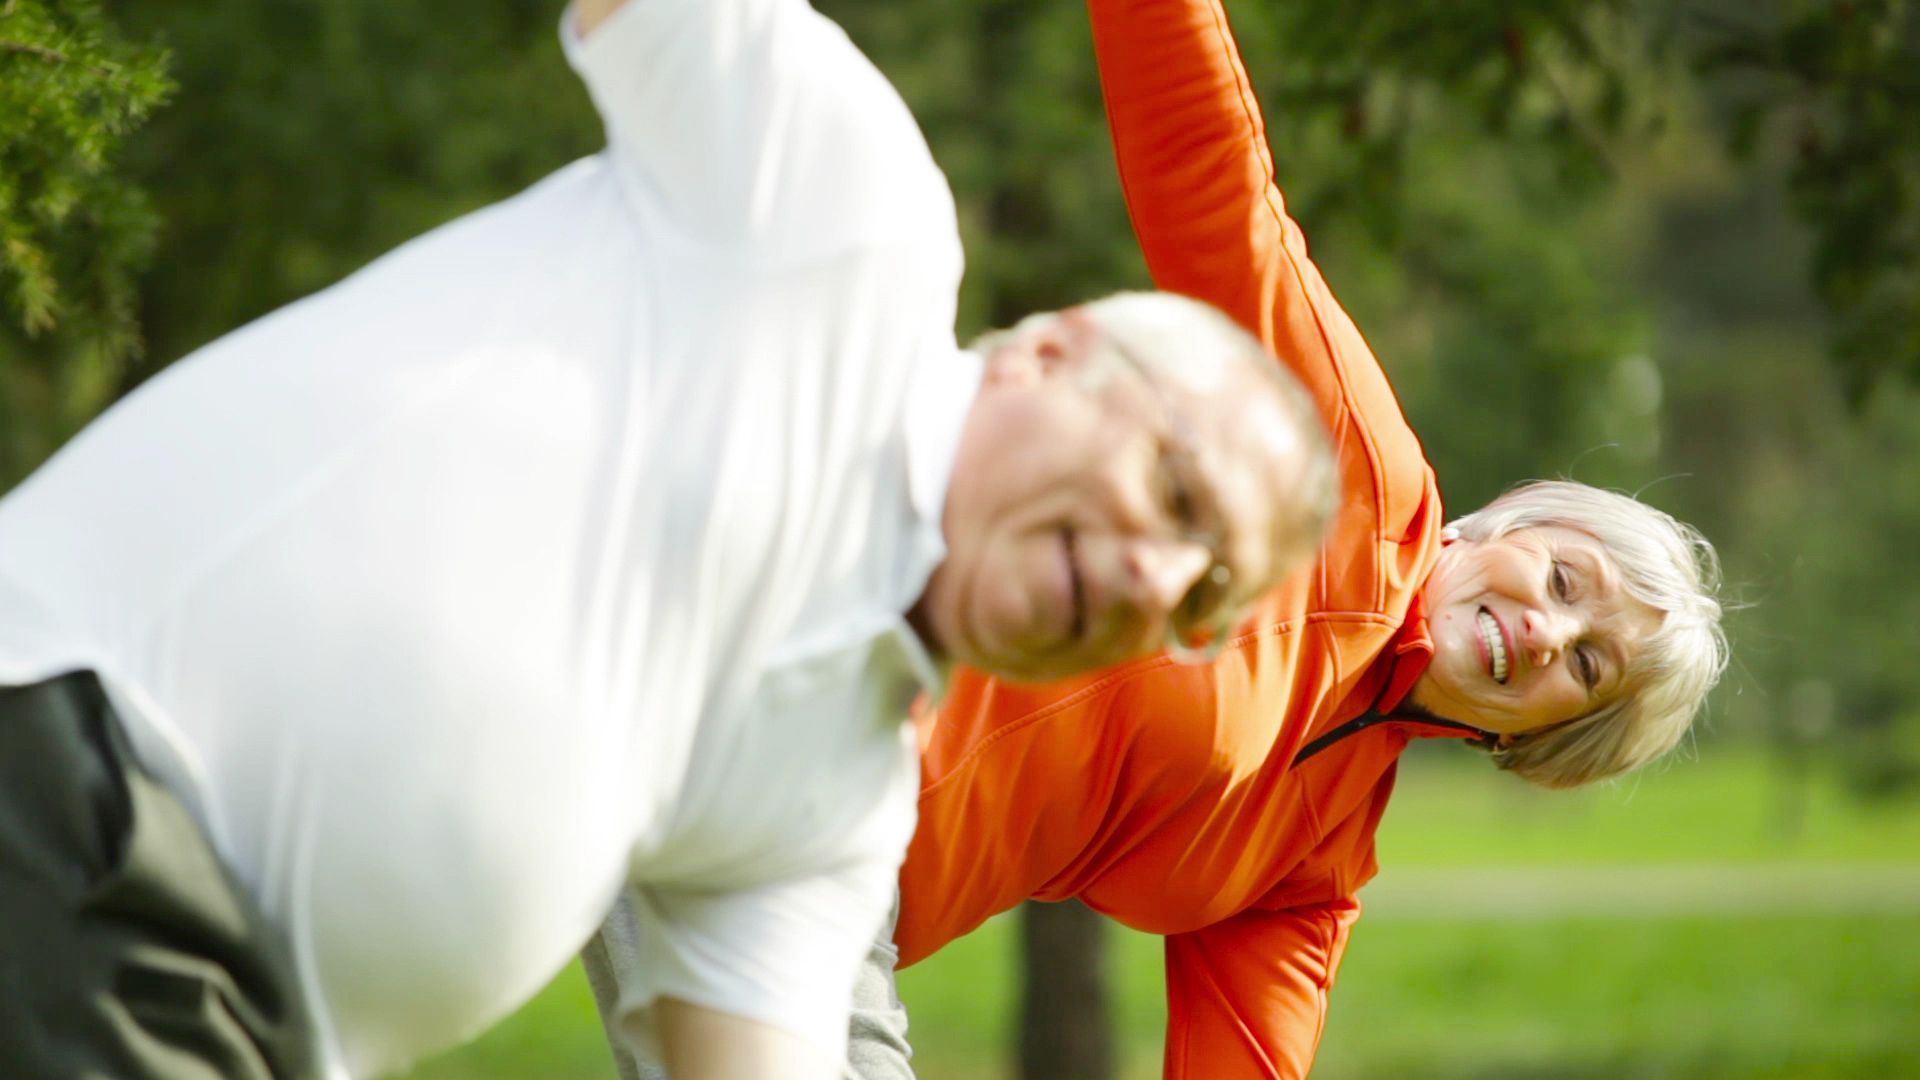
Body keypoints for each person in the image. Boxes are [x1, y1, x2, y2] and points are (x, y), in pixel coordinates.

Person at [0, 0, 1336, 1077]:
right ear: (1052, 352)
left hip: (223, 1027)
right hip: (80, 779)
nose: (1158, 577)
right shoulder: (842, 217)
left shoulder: (841, 794)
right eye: (1174, 490)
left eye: (1202, 595)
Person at [580, 0, 1731, 1077]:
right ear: (1504, 526)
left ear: (1541, 743)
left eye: (1587, 667)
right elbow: (1217, 188)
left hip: (825, 902)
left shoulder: (1310, 871)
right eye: (1567, 579)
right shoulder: (1358, 473)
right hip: (774, 673)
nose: (1548, 632)